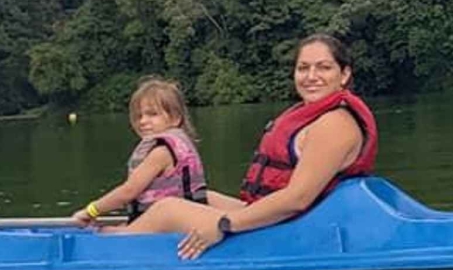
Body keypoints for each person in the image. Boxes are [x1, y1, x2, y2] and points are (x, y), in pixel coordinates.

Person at [126, 34, 379, 258]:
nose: (311, 77)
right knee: (197, 197)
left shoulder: (335, 124)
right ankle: (131, 233)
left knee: (167, 208)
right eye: (303, 68)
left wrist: (223, 224)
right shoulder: (316, 116)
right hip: (284, 220)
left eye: (323, 68)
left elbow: (298, 199)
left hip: (294, 229)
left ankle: (109, 245)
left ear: (344, 74)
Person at [73, 77, 207, 225]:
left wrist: (91, 210)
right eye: (139, 116)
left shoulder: (161, 153)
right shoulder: (176, 146)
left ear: (175, 118)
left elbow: (128, 192)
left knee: (104, 232)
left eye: (152, 114)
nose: (143, 121)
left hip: (167, 227)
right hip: (177, 224)